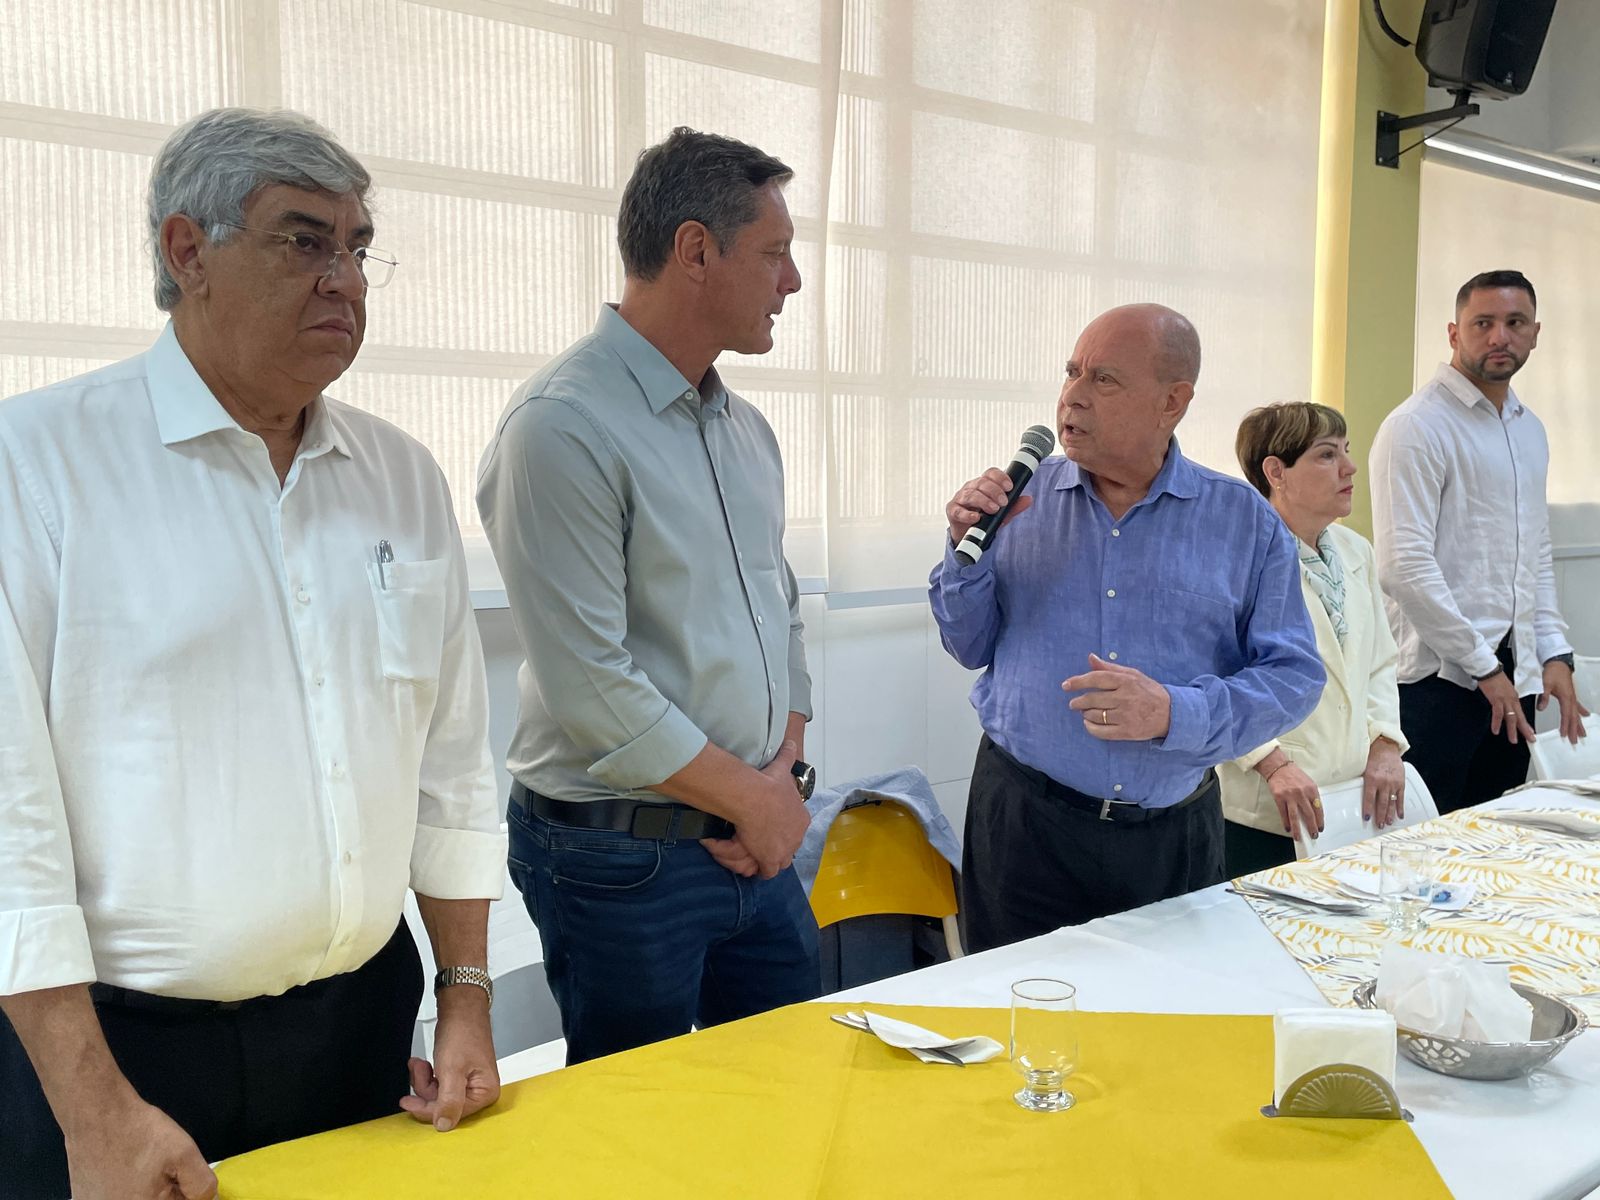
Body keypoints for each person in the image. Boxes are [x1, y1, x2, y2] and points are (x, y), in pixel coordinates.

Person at [0, 108, 506, 1200]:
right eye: (302, 240)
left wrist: (465, 994)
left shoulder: (402, 477)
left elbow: (452, 764)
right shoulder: (35, 467)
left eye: (358, 247)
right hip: (121, 1054)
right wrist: (93, 1112)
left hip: (360, 1031)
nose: (345, 280)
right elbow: (8, 827)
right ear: (188, 252)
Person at [476, 128, 819, 1066]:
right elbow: (591, 685)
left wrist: (782, 774)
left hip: (753, 830)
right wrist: (756, 802)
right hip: (620, 857)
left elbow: (780, 612)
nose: (792, 282)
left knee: (795, 1083)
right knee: (642, 1124)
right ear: (695, 250)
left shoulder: (745, 430)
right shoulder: (561, 427)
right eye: (776, 253)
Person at [930, 304, 1324, 953]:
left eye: (1103, 379)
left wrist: (1176, 712)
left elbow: (1294, 677)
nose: (1073, 397)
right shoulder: (1018, 502)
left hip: (1170, 839)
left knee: (1162, 1010)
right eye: (1071, 373)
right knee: (1014, 1005)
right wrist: (962, 552)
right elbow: (967, 645)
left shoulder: (1243, 523)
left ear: (1173, 402)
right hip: (1024, 829)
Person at [1371, 269, 1588, 814]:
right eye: (1483, 323)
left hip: (1511, 675)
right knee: (1421, 842)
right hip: (1436, 683)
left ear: (1535, 333)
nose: (1499, 337)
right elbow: (1403, 566)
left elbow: (1534, 552)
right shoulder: (1416, 426)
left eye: (1515, 323)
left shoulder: (1528, 428)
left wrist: (1554, 651)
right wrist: (1484, 667)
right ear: (1453, 332)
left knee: (1497, 835)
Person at [1219, 403, 1408, 875]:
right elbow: (1217, 677)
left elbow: (1380, 663)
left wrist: (1386, 743)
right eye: (1327, 455)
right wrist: (1272, 764)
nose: (1350, 467)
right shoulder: (1235, 557)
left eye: (1346, 450)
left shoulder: (1356, 550)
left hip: (1352, 801)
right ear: (1276, 472)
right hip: (1267, 808)